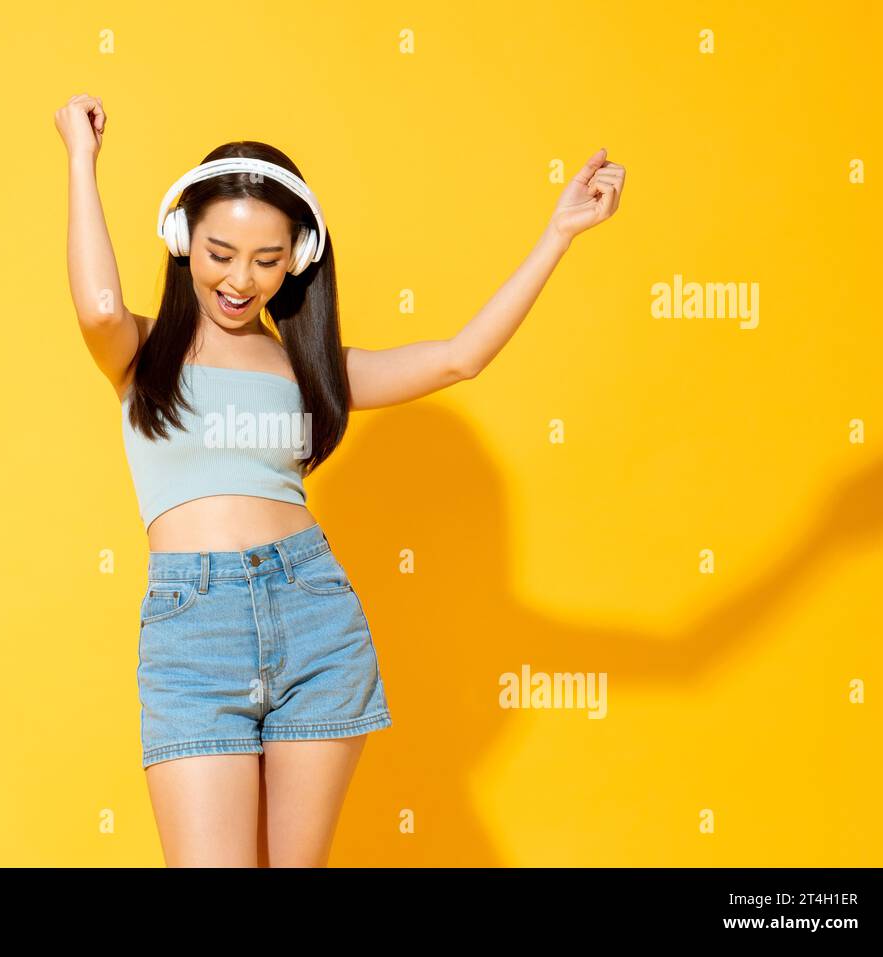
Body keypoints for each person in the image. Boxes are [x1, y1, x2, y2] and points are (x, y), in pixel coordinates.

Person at [55, 92, 625, 866]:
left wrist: (559, 234)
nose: (239, 279)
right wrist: (81, 160)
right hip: (194, 627)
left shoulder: (311, 369)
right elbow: (94, 307)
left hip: (315, 617)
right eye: (220, 252)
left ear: (298, 258)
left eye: (266, 259)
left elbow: (460, 356)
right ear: (183, 239)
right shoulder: (143, 353)